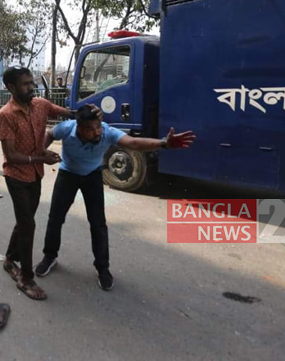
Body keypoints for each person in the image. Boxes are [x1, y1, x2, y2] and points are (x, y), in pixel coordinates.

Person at [35, 106, 196, 290]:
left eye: (98, 127)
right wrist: (42, 151)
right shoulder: (66, 128)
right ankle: (50, 257)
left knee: (98, 224)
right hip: (68, 175)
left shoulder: (107, 132)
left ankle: (103, 268)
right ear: (79, 128)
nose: (97, 132)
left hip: (93, 176)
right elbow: (49, 134)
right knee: (55, 218)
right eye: (91, 129)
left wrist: (164, 143)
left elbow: (134, 143)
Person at [0, 66, 95, 301]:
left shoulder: (40, 104)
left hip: (35, 174)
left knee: (25, 220)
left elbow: (68, 113)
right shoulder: (6, 114)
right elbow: (10, 156)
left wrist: (87, 113)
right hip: (16, 176)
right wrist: (42, 157)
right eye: (25, 84)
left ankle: (10, 260)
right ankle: (26, 277)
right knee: (28, 224)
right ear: (11, 87)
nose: (31, 87)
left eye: (32, 83)